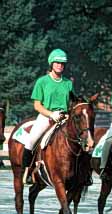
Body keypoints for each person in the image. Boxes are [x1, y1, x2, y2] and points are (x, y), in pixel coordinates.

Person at [22, 48, 74, 184]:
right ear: (51, 64)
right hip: (46, 116)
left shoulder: (68, 83)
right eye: (57, 63)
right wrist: (51, 114)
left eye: (62, 63)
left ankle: (83, 174)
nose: (60, 65)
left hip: (65, 117)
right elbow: (37, 105)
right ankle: (27, 171)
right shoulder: (42, 81)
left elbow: (73, 103)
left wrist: (68, 114)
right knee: (31, 141)